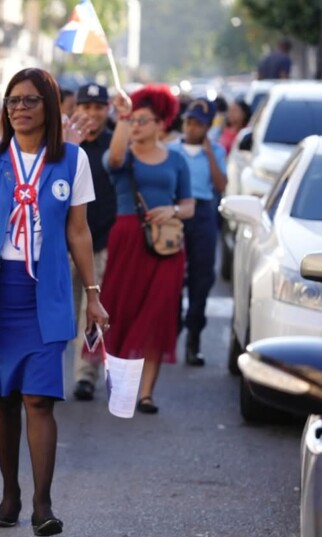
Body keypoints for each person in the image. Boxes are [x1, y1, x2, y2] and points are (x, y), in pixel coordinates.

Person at [0, 67, 106, 537]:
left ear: (51, 107)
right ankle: (9, 493)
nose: (19, 108)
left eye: (30, 100)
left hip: (47, 292)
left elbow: (78, 231)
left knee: (40, 398)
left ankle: (42, 503)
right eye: (12, 101)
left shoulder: (73, 160)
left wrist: (94, 295)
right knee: (4, 399)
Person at [103, 86, 194, 413]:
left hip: (166, 245)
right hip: (127, 238)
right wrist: (123, 116)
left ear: (161, 123)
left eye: (143, 120)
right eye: (132, 119)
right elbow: (112, 159)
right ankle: (118, 383)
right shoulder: (123, 155)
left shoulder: (178, 160)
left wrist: (173, 211)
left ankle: (145, 393)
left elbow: (189, 205)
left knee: (158, 315)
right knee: (121, 310)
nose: (137, 125)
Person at [69, 83, 119, 401]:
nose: (92, 113)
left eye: (98, 107)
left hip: (100, 242)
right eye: (86, 107)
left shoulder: (114, 147)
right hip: (62, 244)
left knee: (91, 313)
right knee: (59, 313)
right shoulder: (62, 147)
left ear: (107, 110)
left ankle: (85, 374)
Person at [168, 99, 226, 367]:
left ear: (207, 127)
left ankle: (194, 338)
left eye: (199, 124)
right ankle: (171, 330)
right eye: (190, 122)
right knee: (172, 274)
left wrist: (209, 153)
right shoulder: (171, 149)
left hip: (203, 212)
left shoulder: (215, 150)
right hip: (176, 211)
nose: (193, 128)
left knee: (201, 276)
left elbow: (220, 184)